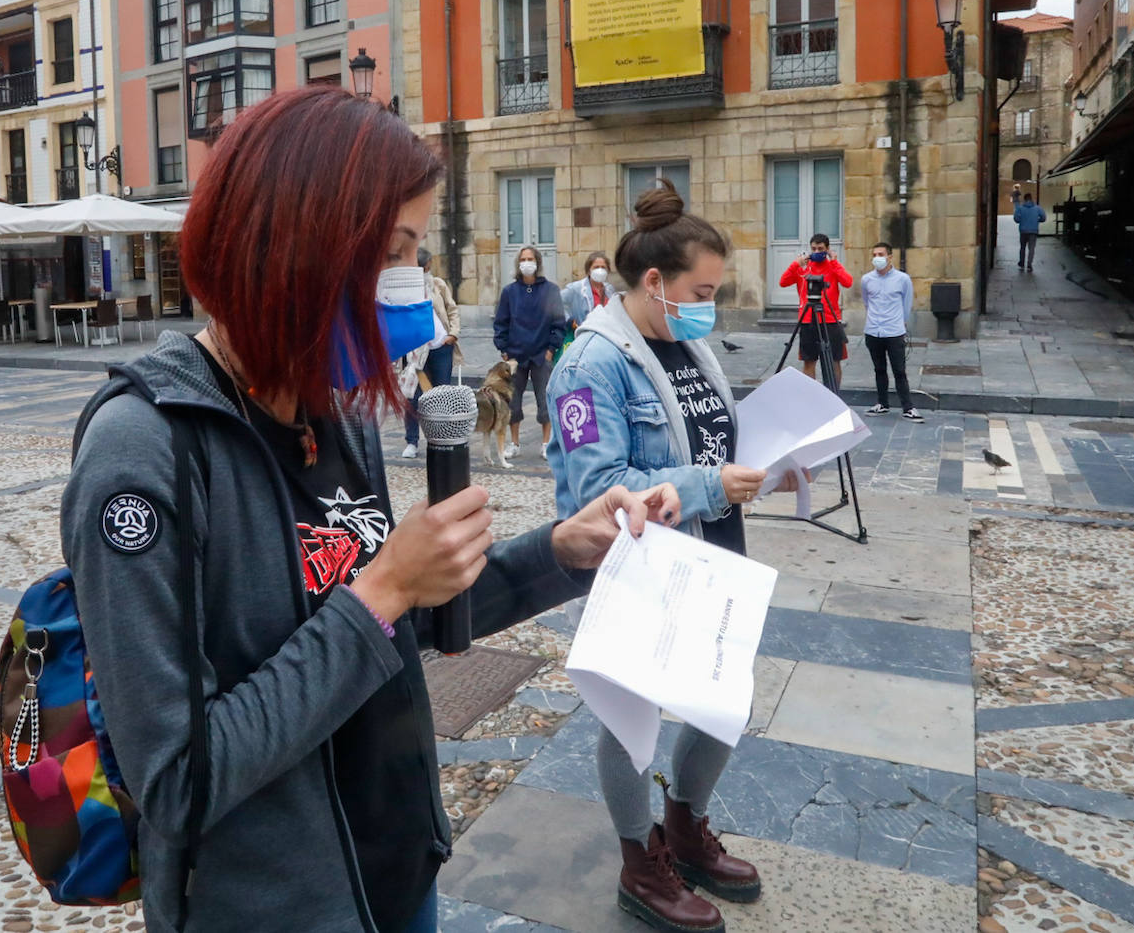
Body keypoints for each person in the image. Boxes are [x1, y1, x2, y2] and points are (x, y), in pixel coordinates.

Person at [60, 87, 680, 933]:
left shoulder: (331, 414)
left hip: (394, 866)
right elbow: (176, 779)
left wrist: (563, 552)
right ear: (293, 244)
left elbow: (400, 626)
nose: (409, 288)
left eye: (415, 254)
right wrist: (380, 590)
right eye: (391, 253)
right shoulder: (143, 449)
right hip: (280, 907)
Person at [546, 179, 802, 933]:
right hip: (637, 560)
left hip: (709, 549)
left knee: (728, 695)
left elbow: (711, 437)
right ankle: (640, 861)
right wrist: (708, 483)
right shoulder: (590, 364)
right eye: (701, 289)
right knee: (632, 715)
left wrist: (770, 458)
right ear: (654, 282)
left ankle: (686, 827)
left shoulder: (683, 339)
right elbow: (599, 488)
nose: (709, 305)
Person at [494, 245, 565, 460]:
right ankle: (514, 443)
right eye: (523, 259)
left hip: (542, 354)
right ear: (518, 263)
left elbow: (558, 322)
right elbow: (501, 322)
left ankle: (546, 443)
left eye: (530, 258)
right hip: (516, 356)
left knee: (545, 400)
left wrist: (551, 350)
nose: (527, 262)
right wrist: (504, 350)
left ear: (537, 263)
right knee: (513, 402)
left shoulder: (550, 290)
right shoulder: (509, 292)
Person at [401, 247, 462, 458]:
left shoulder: (438, 285)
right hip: (416, 350)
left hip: (441, 346)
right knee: (413, 396)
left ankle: (441, 438)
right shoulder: (407, 289)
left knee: (442, 394)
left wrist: (453, 334)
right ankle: (412, 441)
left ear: (428, 265)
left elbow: (452, 309)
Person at [778, 233, 854, 386]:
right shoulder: (804, 267)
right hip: (808, 320)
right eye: (814, 249)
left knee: (834, 361)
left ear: (827, 249)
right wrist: (796, 264)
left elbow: (848, 282)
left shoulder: (832, 266)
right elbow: (783, 282)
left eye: (820, 249)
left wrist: (834, 262)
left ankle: (833, 395)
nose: (817, 252)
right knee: (809, 362)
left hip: (830, 320)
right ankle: (811, 397)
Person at [860, 242, 922, 421]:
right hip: (873, 331)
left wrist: (900, 324)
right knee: (879, 369)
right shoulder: (867, 280)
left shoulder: (902, 279)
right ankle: (882, 403)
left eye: (881, 254)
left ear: (890, 256)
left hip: (894, 331)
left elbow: (906, 303)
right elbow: (866, 302)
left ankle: (907, 407)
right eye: (874, 254)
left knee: (899, 370)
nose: (877, 258)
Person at [561, 251, 618, 328]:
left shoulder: (609, 289)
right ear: (588, 270)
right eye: (596, 267)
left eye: (603, 267)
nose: (600, 270)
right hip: (584, 334)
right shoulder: (576, 288)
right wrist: (569, 321)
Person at [1013, 193, 1046, 271]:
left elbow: (1016, 219)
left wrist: (1022, 220)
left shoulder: (1020, 208)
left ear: (1024, 199)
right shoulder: (1037, 208)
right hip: (1033, 231)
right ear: (1031, 199)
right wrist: (1037, 220)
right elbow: (1044, 218)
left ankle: (1022, 263)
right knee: (1031, 248)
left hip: (1023, 231)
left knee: (1022, 247)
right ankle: (1029, 264)